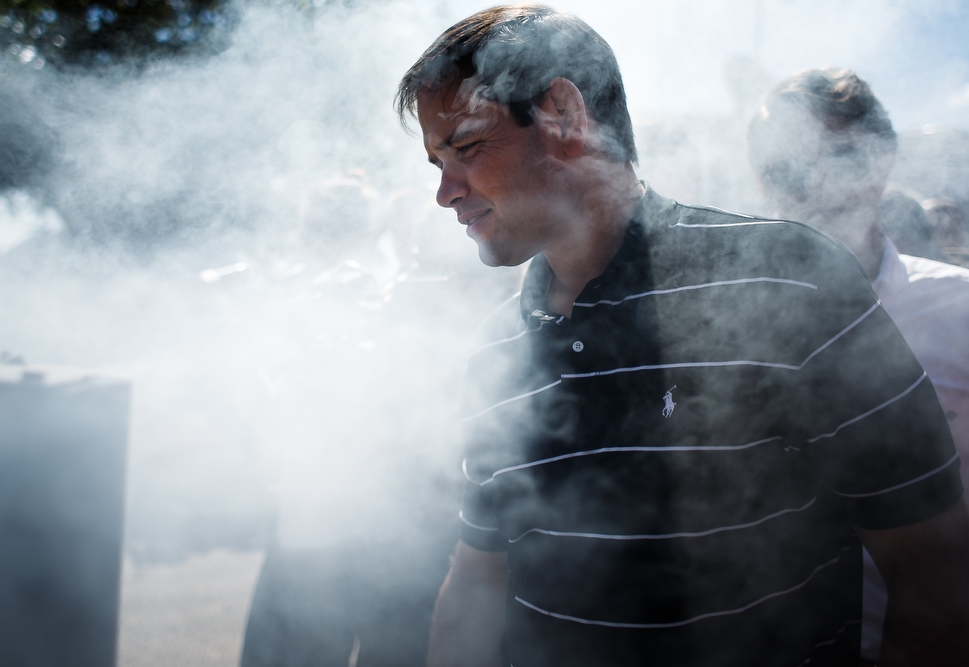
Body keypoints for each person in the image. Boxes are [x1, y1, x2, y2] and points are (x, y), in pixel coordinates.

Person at [396, 6, 969, 666]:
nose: (444, 192)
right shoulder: (496, 350)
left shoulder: (790, 279)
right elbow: (476, 585)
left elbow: (933, 571)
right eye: (437, 160)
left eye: (465, 147)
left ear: (561, 114)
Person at [747, 66, 969, 665]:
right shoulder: (727, 329)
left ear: (883, 159)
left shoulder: (961, 311)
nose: (817, 188)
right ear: (764, 184)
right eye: (790, 170)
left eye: (841, 160)